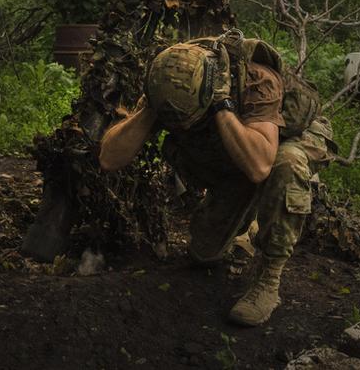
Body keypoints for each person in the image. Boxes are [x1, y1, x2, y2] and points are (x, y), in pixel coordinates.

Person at [98, 33, 335, 326]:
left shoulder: (256, 80)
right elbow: (109, 159)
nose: (181, 126)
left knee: (285, 164)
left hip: (289, 136)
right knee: (204, 254)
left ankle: (268, 279)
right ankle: (247, 220)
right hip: (242, 145)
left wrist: (222, 104)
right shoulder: (170, 79)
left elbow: (261, 164)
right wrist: (149, 110)